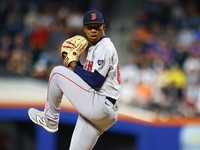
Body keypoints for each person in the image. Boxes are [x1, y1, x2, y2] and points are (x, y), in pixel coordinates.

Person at [28, 10, 121, 150]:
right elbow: (88, 78)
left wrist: (72, 65)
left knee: (57, 73)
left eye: (97, 26)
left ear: (104, 27)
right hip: (103, 113)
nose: (93, 30)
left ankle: (50, 119)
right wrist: (76, 64)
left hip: (100, 104)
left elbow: (96, 81)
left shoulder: (104, 46)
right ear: (84, 29)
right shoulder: (95, 48)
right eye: (90, 27)